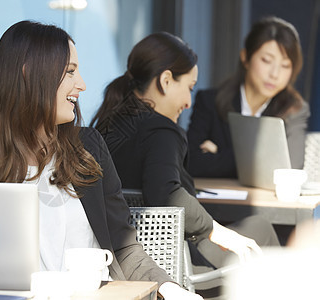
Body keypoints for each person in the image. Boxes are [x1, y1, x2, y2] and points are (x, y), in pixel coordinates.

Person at [0, 20, 202, 299]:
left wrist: (173, 290)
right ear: (29, 74)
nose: (82, 85)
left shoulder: (89, 147)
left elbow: (125, 247)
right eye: (69, 72)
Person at [90, 31, 280, 270]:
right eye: (189, 87)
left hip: (122, 262)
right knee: (261, 227)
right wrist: (216, 231)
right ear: (166, 80)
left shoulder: (108, 124)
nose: (189, 101)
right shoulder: (161, 131)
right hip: (178, 263)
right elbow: (166, 193)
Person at [187, 16, 310, 178]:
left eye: (285, 66)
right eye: (266, 61)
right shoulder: (209, 101)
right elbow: (191, 163)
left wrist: (220, 154)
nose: (275, 74)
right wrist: (260, 159)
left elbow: (291, 172)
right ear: (245, 57)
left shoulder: (294, 110)